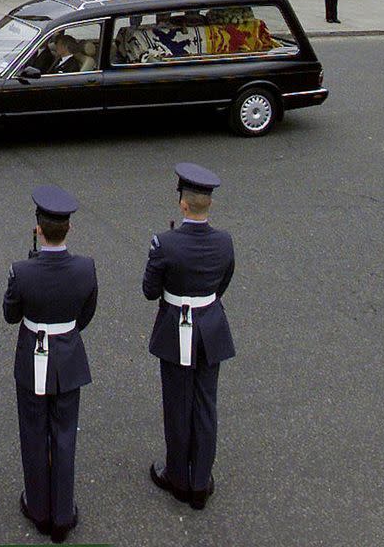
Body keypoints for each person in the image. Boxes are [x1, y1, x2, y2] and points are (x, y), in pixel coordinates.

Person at [3, 186, 98, 544]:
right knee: (64, 433)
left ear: (38, 228)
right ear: (68, 229)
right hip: (68, 354)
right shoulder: (86, 267)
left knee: (33, 431)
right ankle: (62, 511)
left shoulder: (22, 270)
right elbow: (85, 315)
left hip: (32, 354)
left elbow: (11, 314)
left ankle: (38, 505)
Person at [143, 162, 235, 511]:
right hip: (210, 326)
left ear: (183, 203)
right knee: (205, 404)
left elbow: (150, 290)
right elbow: (223, 282)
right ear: (207, 204)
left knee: (177, 403)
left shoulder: (165, 243)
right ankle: (200, 481)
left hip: (175, 328)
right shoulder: (224, 241)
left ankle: (177, 476)